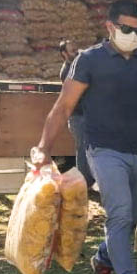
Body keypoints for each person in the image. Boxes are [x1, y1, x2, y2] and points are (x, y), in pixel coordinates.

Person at [30, 0, 137, 274]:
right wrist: (43, 148)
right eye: (126, 29)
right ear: (110, 27)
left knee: (133, 217)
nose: (133, 35)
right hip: (103, 149)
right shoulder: (89, 60)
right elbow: (64, 106)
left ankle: (102, 259)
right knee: (119, 213)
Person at [58, 40, 93, 187]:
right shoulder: (68, 72)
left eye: (76, 49)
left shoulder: (77, 66)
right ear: (64, 54)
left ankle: (88, 181)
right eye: (73, 51)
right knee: (83, 149)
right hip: (78, 117)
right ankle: (84, 182)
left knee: (87, 148)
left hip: (84, 115)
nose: (77, 52)